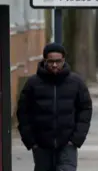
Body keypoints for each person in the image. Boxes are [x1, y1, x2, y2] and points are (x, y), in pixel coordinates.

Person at [16, 43, 93, 171]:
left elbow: (85, 109)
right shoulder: (32, 84)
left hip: (67, 144)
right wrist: (31, 141)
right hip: (41, 145)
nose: (55, 65)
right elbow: (23, 112)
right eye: (51, 61)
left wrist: (76, 139)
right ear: (45, 61)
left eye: (58, 61)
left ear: (64, 60)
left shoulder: (76, 83)